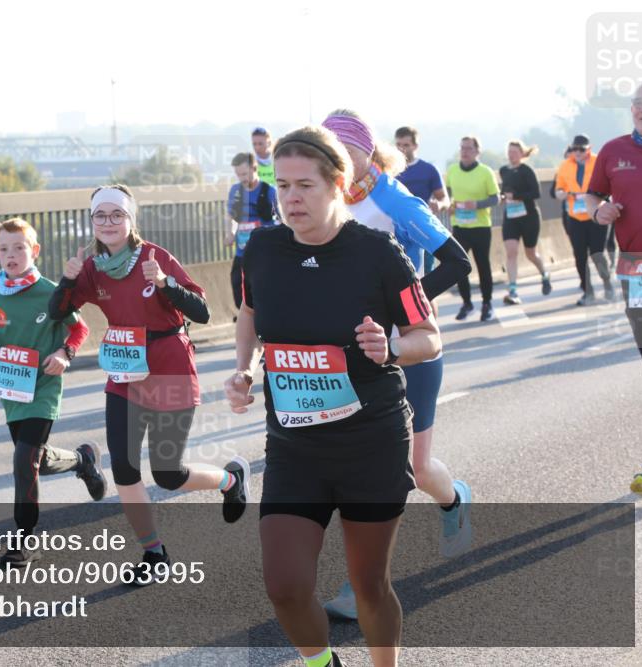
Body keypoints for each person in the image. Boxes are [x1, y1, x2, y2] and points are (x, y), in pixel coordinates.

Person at [225, 125, 441, 667]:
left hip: (370, 441)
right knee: (285, 586)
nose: (291, 199)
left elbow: (429, 338)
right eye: (282, 186)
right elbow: (250, 315)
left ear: (338, 184)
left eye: (305, 186)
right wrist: (245, 371)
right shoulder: (262, 250)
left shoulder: (377, 253)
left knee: (369, 588)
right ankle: (324, 663)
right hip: (296, 446)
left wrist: (390, 346)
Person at [49, 185, 249, 585]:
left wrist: (164, 284)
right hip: (124, 372)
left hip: (169, 365)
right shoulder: (90, 266)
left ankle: (230, 480)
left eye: (116, 215)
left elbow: (204, 312)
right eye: (100, 215)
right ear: (92, 222)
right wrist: (65, 281)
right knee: (124, 467)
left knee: (168, 473)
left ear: (130, 220)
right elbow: (57, 312)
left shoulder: (156, 257)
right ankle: (154, 553)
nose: (108, 222)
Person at [319, 111, 473, 622]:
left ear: (366, 150)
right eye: (328, 150)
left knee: (414, 469)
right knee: (367, 467)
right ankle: (361, 579)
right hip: (357, 352)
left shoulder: (396, 200)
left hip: (411, 349)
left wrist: (402, 304)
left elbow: (457, 262)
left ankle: (454, 501)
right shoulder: (333, 199)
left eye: (344, 149)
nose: (337, 160)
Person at [0, 218, 106, 566]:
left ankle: (24, 539)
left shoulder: (49, 292)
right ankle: (82, 459)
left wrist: (64, 353)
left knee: (24, 460)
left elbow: (80, 328)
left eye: (19, 248)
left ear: (34, 251)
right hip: (10, 389)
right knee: (34, 463)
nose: (10, 255)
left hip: (43, 387)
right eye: (3, 249)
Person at [585, 83, 642, 500]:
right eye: (640, 103)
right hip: (638, 273)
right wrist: (599, 210)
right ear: (631, 109)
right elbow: (593, 193)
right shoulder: (613, 151)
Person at [445, 136, 500, 322]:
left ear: (477, 151)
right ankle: (467, 303)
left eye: (469, 148)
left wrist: (476, 204)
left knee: (483, 265)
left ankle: (487, 303)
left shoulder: (485, 172)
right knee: (458, 266)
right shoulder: (452, 171)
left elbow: (495, 198)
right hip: (460, 226)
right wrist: (450, 205)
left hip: (481, 227)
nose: (465, 151)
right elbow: (447, 197)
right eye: (462, 148)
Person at [555, 134, 614, 305]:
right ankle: (588, 291)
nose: (578, 152)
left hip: (597, 214)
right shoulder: (565, 166)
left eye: (582, 149)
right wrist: (564, 194)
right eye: (575, 149)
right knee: (579, 256)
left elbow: (610, 185)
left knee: (597, 253)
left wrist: (595, 195)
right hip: (575, 217)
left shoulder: (599, 161)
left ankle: (607, 283)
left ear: (589, 148)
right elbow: (558, 190)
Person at [224, 152, 279, 314]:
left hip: (264, 250)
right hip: (242, 249)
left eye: (244, 174)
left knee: (262, 285)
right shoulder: (236, 191)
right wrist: (229, 233)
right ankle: (245, 316)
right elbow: (230, 216)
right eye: (238, 174)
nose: (241, 178)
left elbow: (282, 219)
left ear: (254, 169)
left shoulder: (269, 191)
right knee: (237, 283)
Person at [499, 140, 552, 304]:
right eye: (509, 151)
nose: (511, 155)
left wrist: (516, 197)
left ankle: (544, 273)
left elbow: (536, 193)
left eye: (515, 152)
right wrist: (503, 198)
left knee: (530, 253)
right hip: (511, 217)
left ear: (522, 154)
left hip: (529, 217)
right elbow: (505, 190)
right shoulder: (503, 171)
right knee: (511, 251)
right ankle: (513, 290)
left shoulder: (527, 170)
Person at [394, 127, 451, 278]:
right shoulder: (389, 171)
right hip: (395, 234)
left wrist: (439, 205)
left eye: (406, 145)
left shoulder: (428, 169)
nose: (401, 149)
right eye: (398, 144)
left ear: (415, 146)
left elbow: (445, 199)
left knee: (424, 283)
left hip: (422, 231)